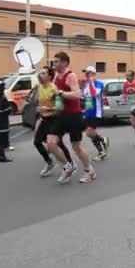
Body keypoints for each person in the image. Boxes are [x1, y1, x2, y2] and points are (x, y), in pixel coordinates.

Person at [51, 52, 96, 184]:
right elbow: (54, 92)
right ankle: (68, 166)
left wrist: (60, 93)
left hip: (73, 115)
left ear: (65, 62)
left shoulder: (71, 75)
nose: (55, 64)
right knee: (51, 144)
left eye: (57, 61)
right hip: (60, 115)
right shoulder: (56, 76)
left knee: (76, 147)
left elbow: (77, 94)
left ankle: (89, 170)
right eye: (54, 61)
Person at [33, 66, 74, 178]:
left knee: (57, 143)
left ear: (49, 76)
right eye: (40, 73)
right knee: (37, 142)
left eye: (43, 73)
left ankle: (69, 164)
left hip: (55, 118)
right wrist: (39, 109)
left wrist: (48, 109)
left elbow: (60, 107)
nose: (40, 74)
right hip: (43, 118)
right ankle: (49, 162)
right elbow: (40, 103)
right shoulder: (40, 87)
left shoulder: (53, 88)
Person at [82, 66, 110, 161]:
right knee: (90, 134)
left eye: (88, 73)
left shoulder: (99, 84)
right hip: (89, 111)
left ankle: (102, 145)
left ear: (93, 74)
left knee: (89, 132)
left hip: (96, 112)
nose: (86, 75)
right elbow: (85, 97)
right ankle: (102, 145)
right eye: (86, 73)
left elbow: (94, 94)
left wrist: (91, 82)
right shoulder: (86, 84)